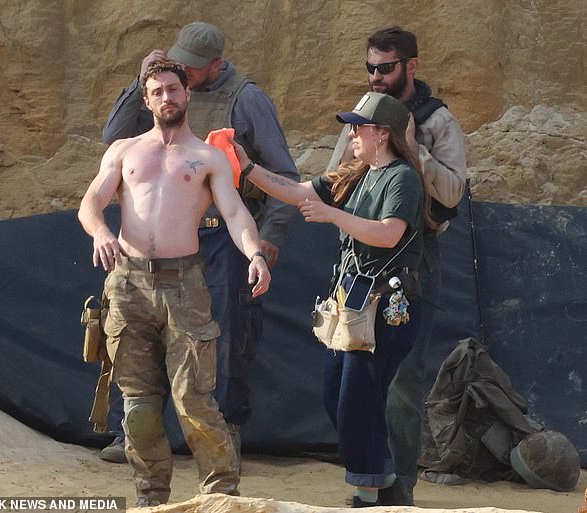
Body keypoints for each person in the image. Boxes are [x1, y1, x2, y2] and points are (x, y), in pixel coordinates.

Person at [100, 21, 298, 465]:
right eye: (171, 76)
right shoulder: (161, 94)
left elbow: (284, 175)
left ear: (217, 65)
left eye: (188, 74)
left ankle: (223, 434)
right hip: (163, 240)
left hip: (225, 235)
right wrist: (139, 85)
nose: (178, 84)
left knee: (223, 336)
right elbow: (112, 140)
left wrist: (267, 240)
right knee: (137, 332)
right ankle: (132, 430)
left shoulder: (246, 98)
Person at [78, 62, 271, 506]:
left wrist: (256, 254)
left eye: (173, 89)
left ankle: (220, 494)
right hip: (128, 285)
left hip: (185, 284)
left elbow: (236, 213)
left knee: (194, 401)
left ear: (187, 95)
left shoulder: (207, 157)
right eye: (157, 91)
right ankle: (152, 499)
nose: (166, 97)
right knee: (140, 408)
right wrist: (102, 232)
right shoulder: (124, 151)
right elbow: (91, 202)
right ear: (146, 101)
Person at [231, 91, 435, 508]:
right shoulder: (358, 172)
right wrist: (246, 165)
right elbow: (295, 190)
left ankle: (369, 492)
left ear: (383, 134)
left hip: (385, 306)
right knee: (336, 395)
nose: (352, 133)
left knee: (360, 397)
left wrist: (334, 216)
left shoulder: (403, 178)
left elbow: (389, 233)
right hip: (351, 304)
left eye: (360, 127)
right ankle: (387, 482)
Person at [328, 26, 467, 506]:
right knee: (352, 376)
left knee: (403, 379)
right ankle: (375, 477)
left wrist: (412, 147)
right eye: (370, 68)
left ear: (411, 66)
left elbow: (451, 193)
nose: (375, 77)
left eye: (385, 68)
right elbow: (337, 178)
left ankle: (398, 489)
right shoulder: (364, 116)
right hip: (364, 262)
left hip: (415, 259)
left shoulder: (436, 120)